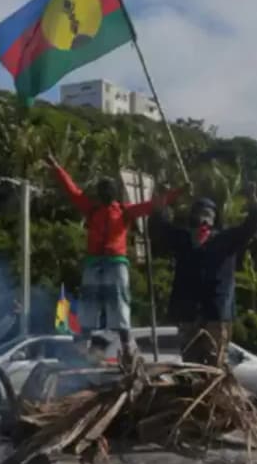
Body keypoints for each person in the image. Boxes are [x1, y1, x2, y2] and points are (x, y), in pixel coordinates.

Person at [44, 153, 182, 367]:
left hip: (116, 262)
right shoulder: (92, 210)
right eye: (102, 191)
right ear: (99, 194)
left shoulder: (124, 211)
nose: (105, 194)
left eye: (108, 191)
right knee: (89, 303)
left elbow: (153, 205)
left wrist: (178, 192)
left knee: (119, 301)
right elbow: (72, 190)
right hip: (93, 262)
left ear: (114, 193)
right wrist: (56, 167)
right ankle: (85, 346)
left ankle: (126, 346)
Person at [150, 182, 257, 367]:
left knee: (214, 365)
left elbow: (253, 225)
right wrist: (161, 202)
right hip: (189, 313)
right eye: (199, 214)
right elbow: (158, 228)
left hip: (215, 314)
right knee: (191, 366)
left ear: (214, 219)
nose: (203, 220)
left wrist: (252, 199)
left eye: (207, 215)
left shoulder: (225, 239)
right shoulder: (184, 238)